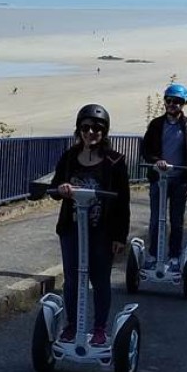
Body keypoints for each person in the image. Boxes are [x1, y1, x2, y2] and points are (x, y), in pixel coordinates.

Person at [52, 104, 131, 347]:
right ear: (79, 130)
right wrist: (63, 189)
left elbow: (123, 201)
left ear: (104, 131)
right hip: (72, 229)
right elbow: (55, 189)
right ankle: (72, 326)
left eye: (97, 128)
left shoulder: (114, 161)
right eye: (85, 128)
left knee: (99, 280)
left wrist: (120, 236)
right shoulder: (69, 157)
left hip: (102, 231)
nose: (91, 132)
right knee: (72, 280)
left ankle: (99, 329)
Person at [140, 82, 187, 266]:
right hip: (159, 180)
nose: (172, 104)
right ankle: (152, 254)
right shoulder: (156, 125)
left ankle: (174, 256)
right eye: (169, 100)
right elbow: (145, 150)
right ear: (165, 102)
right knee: (156, 220)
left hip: (180, 181)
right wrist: (156, 160)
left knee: (176, 221)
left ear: (183, 104)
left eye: (177, 101)